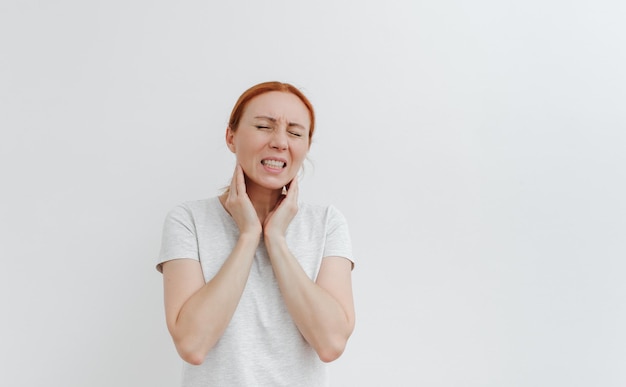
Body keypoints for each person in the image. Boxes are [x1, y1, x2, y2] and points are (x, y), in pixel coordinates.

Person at [156, 81, 355, 386]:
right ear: (230, 136)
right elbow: (192, 345)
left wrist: (275, 240)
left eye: (295, 132)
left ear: (306, 146)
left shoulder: (327, 223)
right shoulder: (188, 220)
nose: (279, 142)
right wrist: (248, 236)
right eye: (264, 126)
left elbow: (330, 344)